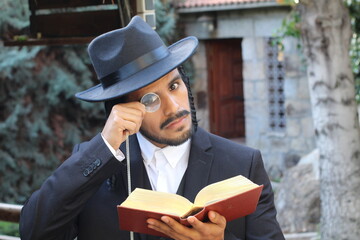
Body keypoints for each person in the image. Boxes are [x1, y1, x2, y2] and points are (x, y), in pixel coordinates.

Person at [19, 16, 285, 240]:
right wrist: (104, 147)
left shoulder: (244, 164)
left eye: (174, 86)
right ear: (121, 110)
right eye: (150, 99)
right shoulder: (91, 167)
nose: (173, 108)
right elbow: (33, 232)